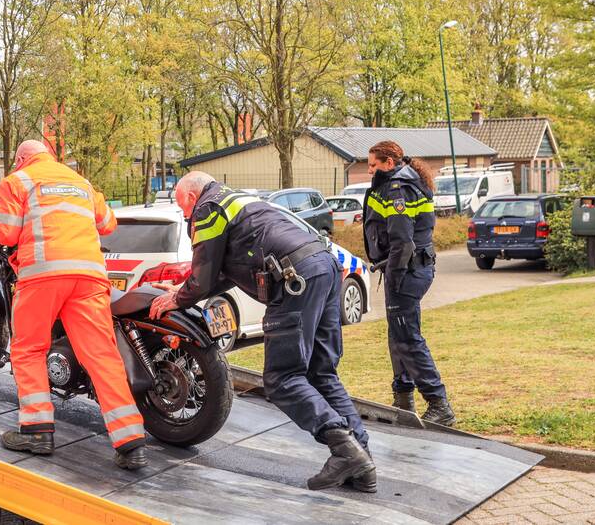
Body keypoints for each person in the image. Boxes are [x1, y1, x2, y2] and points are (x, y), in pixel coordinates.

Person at [150, 171, 376, 492]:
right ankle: (362, 460)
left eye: (181, 207)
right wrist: (182, 289)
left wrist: (177, 297)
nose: (185, 214)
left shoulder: (207, 208)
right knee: (322, 373)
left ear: (189, 197)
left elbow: (204, 274)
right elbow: (223, 272)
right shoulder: (238, 200)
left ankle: (344, 449)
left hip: (294, 279)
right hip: (325, 267)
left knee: (282, 379)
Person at [0, 140, 149, 469]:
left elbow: (5, 232)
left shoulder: (17, 181)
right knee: (101, 356)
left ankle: (36, 431)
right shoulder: (80, 182)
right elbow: (108, 224)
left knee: (28, 349)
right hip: (88, 276)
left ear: (20, 159)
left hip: (43, 276)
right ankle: (130, 442)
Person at [362, 140, 455, 426]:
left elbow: (402, 241)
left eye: (373, 165)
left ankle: (439, 403)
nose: (369, 171)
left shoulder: (398, 189)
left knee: (407, 337)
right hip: (411, 269)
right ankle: (403, 397)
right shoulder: (406, 181)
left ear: (389, 163)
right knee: (398, 335)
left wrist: (395, 274)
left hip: (406, 271)